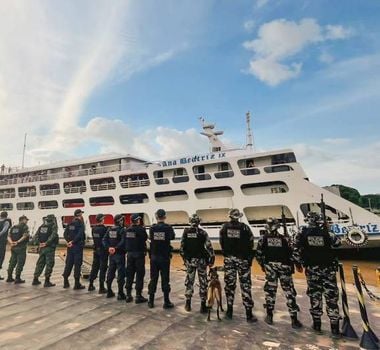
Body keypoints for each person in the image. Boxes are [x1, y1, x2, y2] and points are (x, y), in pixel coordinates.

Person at [293, 211, 341, 337]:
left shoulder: (302, 233)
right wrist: (327, 228)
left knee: (315, 296)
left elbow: (295, 250)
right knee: (331, 298)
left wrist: (299, 265)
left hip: (312, 269)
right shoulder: (328, 233)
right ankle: (335, 327)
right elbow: (337, 244)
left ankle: (317, 324)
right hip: (328, 269)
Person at [256, 218, 302, 328]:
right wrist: (298, 265)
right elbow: (294, 253)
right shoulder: (285, 238)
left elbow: (258, 254)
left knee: (270, 292)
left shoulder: (263, 238)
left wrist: (263, 265)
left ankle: (269, 315)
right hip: (284, 267)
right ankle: (294, 319)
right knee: (289, 292)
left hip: (270, 267)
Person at [219, 208, 256, 322]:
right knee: (245, 286)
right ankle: (248, 314)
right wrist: (248, 258)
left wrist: (227, 254)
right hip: (242, 259)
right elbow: (251, 243)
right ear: (238, 217)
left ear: (230, 216)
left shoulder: (224, 228)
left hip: (229, 259)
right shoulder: (245, 228)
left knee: (230, 285)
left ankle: (229, 311)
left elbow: (222, 243)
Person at [180, 214, 215, 313]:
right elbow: (209, 248)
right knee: (203, 282)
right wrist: (211, 260)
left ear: (190, 222)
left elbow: (182, 248)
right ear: (199, 222)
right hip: (201, 261)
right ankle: (203, 305)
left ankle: (188, 303)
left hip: (190, 261)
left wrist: (185, 260)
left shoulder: (185, 232)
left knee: (189, 281)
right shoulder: (203, 233)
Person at [147, 209, 175, 309]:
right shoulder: (168, 228)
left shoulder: (152, 228)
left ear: (156, 217)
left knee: (153, 279)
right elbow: (172, 237)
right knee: (165, 280)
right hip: (164, 258)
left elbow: (151, 238)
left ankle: (151, 301)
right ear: (164, 216)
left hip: (154, 257)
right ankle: (166, 302)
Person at [124, 213, 148, 304]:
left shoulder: (127, 230)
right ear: (137, 220)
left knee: (129, 274)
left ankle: (128, 295)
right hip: (139, 255)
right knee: (139, 275)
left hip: (130, 255)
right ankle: (138, 296)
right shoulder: (141, 229)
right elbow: (145, 238)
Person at [103, 214, 126, 300]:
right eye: (122, 220)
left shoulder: (110, 229)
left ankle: (109, 291)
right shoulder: (122, 230)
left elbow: (104, 240)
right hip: (119, 254)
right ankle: (120, 293)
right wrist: (115, 248)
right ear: (120, 221)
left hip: (111, 255)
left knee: (110, 272)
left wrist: (109, 248)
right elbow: (123, 241)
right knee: (121, 274)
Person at [32, 215, 59, 287]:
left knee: (40, 263)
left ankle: (35, 279)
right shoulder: (53, 226)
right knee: (49, 264)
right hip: (49, 248)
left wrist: (39, 243)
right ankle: (47, 281)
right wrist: (46, 243)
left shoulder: (41, 227)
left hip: (41, 248)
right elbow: (53, 235)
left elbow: (35, 236)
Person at [62, 209, 86, 290]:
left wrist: (69, 242)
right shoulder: (80, 223)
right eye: (81, 214)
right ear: (79, 215)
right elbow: (80, 234)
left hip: (70, 247)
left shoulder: (70, 223)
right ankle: (77, 284)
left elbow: (65, 234)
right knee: (77, 264)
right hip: (77, 246)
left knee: (69, 263)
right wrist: (73, 241)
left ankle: (65, 281)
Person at [88, 214, 109, 294]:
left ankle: (91, 284)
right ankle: (101, 287)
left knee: (94, 267)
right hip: (103, 251)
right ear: (102, 220)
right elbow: (106, 240)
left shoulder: (93, 229)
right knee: (103, 268)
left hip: (95, 250)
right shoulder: (104, 229)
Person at [7, 215, 30, 283]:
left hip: (13, 247)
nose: (27, 221)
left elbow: (8, 236)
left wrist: (11, 242)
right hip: (21, 247)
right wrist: (17, 242)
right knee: (20, 262)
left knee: (12, 262)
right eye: (26, 220)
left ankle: (9, 277)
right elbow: (25, 236)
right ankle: (17, 278)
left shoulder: (13, 227)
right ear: (22, 220)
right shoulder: (24, 226)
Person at [0, 211, 12, 280]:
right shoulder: (6, 222)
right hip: (1, 242)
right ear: (6, 216)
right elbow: (4, 231)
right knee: (1, 257)